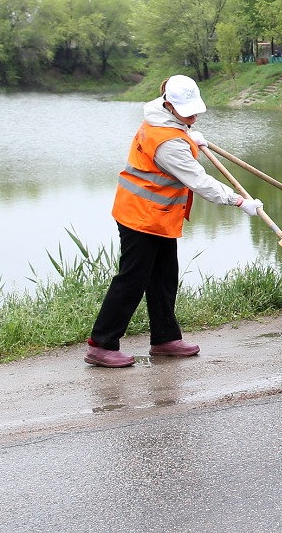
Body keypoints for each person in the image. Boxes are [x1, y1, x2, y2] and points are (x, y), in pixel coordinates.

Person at [85, 75, 265, 367]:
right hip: (141, 215)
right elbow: (199, 182)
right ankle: (101, 343)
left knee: (163, 277)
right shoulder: (168, 142)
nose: (193, 114)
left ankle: (165, 339)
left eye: (194, 109)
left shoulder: (161, 117)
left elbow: (176, 134)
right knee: (132, 279)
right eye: (187, 111)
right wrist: (238, 201)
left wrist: (187, 131)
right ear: (169, 104)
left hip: (159, 214)